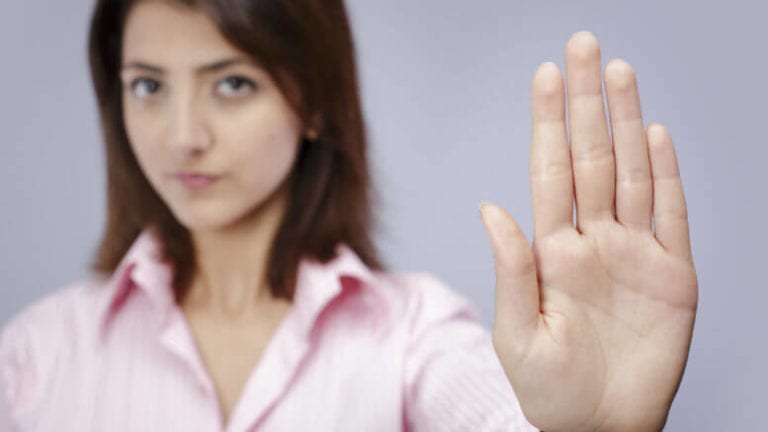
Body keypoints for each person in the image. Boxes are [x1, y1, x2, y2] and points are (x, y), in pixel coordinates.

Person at [0, 0, 699, 431]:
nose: (183, 134)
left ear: (313, 100)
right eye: (147, 85)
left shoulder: (415, 338)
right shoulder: (34, 355)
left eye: (232, 83)